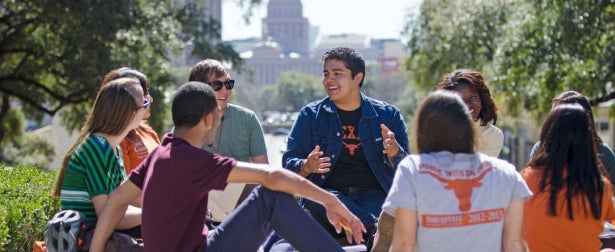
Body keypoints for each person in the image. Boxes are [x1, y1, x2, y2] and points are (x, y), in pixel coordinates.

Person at [88, 81, 366, 252]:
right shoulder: (191, 161)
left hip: (205, 242)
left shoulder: (161, 154)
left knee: (274, 231)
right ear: (208, 119)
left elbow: (116, 200)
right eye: (218, 116)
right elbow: (270, 175)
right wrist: (329, 200)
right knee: (269, 197)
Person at [282, 47, 410, 241]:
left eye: (337, 74)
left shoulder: (388, 115)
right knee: (320, 198)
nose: (329, 80)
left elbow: (407, 173)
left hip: (373, 196)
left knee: (383, 208)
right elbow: (287, 167)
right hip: (327, 196)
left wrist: (394, 152)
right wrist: (307, 166)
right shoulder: (309, 116)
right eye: (326, 74)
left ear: (357, 78)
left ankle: (371, 233)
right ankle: (375, 233)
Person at [382, 91, 531, 251]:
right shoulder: (506, 173)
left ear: (423, 130)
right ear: (469, 127)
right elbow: (514, 243)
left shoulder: (412, 169)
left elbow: (404, 243)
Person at [53, 78, 147, 240]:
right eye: (144, 103)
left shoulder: (110, 147)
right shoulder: (98, 148)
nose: (148, 105)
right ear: (132, 114)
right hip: (89, 239)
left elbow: (119, 208)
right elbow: (108, 216)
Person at [521, 103, 615, 251]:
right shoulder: (600, 185)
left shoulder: (526, 178)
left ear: (547, 135)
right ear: (589, 140)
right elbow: (606, 222)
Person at [188, 59, 268, 223]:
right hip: (198, 213)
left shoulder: (248, 119)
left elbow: (264, 171)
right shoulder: (185, 126)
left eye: (229, 84)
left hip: (241, 210)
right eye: (217, 86)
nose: (225, 91)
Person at [529, 90, 615, 203]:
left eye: (557, 115)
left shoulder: (602, 153)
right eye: (552, 114)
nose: (551, 120)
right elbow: (530, 194)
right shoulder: (540, 150)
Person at [101, 67, 160, 175]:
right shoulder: (115, 140)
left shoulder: (149, 133)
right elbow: (123, 187)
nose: (150, 99)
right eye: (145, 92)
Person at [438, 69, 503, 157]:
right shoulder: (436, 132)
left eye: (473, 97)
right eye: (459, 98)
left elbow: (479, 169)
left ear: (482, 99)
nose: (467, 104)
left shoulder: (492, 135)